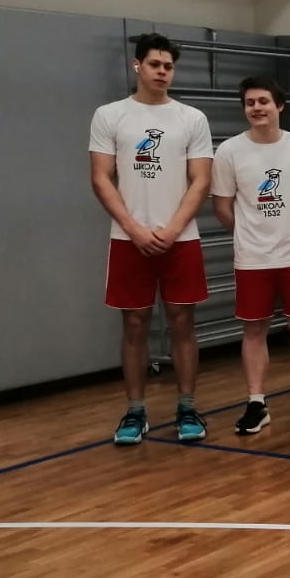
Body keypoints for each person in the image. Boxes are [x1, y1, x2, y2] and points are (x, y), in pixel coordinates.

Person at [89, 32, 213, 445]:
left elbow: (201, 180)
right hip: (129, 239)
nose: (162, 72)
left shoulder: (191, 118)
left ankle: (187, 407)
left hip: (181, 238)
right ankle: (135, 412)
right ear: (137, 65)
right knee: (134, 324)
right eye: (155, 64)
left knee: (182, 322)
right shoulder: (110, 115)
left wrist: (173, 228)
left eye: (168, 66)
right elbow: (101, 178)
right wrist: (134, 228)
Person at [210, 77, 290, 434]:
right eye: (250, 102)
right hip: (252, 258)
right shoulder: (229, 151)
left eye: (263, 101)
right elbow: (222, 206)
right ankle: (256, 403)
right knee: (253, 329)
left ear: (279, 106)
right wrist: (249, 234)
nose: (257, 108)